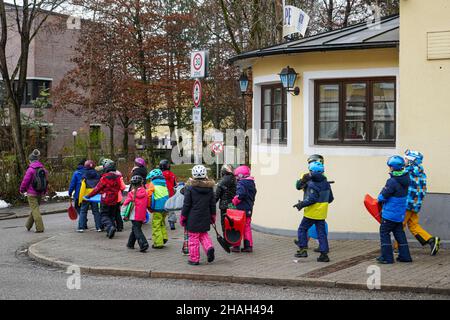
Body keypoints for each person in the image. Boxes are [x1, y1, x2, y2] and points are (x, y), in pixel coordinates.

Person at [399, 150, 440, 255]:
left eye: (406, 159)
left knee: (399, 225)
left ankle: (398, 247)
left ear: (412, 161)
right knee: (413, 225)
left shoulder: (407, 171)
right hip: (416, 204)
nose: (404, 161)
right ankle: (431, 240)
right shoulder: (421, 172)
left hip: (406, 203)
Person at [293, 161, 333, 262]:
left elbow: (312, 199)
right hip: (322, 213)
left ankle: (303, 250)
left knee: (302, 229)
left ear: (312, 171)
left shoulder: (311, 184)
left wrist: (301, 204)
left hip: (311, 213)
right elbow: (331, 198)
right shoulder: (326, 184)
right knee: (321, 233)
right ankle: (324, 255)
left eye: (310, 170)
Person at [376, 155, 413, 264]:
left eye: (389, 166)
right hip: (399, 214)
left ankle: (387, 257)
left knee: (384, 232)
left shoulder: (392, 181)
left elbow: (383, 196)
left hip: (389, 214)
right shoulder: (406, 178)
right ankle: (405, 256)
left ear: (392, 167)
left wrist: (379, 197)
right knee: (399, 233)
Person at [180, 165, 216, 265]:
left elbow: (186, 205)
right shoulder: (210, 189)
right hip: (205, 217)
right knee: (203, 235)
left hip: (193, 218)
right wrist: (213, 216)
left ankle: (194, 259)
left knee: (193, 238)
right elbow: (212, 205)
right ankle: (209, 248)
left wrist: (183, 217)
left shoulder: (190, 189)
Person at [85, 160, 122, 239]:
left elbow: (97, 189)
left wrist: (89, 196)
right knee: (111, 216)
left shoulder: (104, 178)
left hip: (106, 200)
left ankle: (110, 227)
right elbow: (119, 188)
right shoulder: (118, 178)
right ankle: (110, 231)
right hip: (115, 200)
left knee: (104, 215)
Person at [20, 149, 48, 233]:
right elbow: (46, 181)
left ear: (31, 160)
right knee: (35, 209)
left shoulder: (30, 169)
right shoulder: (43, 169)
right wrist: (44, 191)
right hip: (39, 192)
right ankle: (28, 225)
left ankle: (40, 228)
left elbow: (25, 181)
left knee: (35, 210)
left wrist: (22, 189)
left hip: (31, 194)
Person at [231, 165, 257, 253]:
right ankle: (248, 246)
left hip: (241, 209)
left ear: (240, 175)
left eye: (236, 176)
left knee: (237, 226)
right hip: (249, 208)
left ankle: (236, 246)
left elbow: (240, 194)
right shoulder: (252, 183)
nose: (236, 178)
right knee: (247, 227)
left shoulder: (241, 183)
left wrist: (234, 201)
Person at [124, 175, 150, 253]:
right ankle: (130, 243)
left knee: (137, 229)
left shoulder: (131, 193)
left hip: (134, 214)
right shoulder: (145, 192)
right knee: (135, 228)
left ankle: (143, 244)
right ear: (141, 183)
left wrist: (124, 213)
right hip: (142, 214)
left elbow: (125, 203)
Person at [146, 169, 170, 249]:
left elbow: (149, 195)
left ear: (152, 177)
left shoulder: (152, 184)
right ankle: (164, 237)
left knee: (156, 225)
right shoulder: (164, 183)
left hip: (157, 207)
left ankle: (158, 243)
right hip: (165, 207)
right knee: (162, 223)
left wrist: (149, 207)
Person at [77, 160, 102, 232]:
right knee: (96, 211)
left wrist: (80, 197)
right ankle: (99, 227)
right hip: (95, 194)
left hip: (86, 195)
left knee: (83, 211)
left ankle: (81, 227)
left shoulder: (84, 174)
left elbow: (82, 186)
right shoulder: (97, 174)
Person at [215, 164, 236, 233]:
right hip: (233, 204)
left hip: (224, 205)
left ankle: (227, 241)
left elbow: (216, 195)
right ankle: (233, 239)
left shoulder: (222, 181)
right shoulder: (235, 179)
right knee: (232, 222)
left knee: (224, 223)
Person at [159, 159, 178, 230]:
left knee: (162, 209)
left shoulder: (160, 175)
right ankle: (172, 223)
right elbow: (174, 184)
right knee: (171, 209)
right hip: (171, 194)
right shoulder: (172, 174)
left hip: (162, 194)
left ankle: (161, 223)